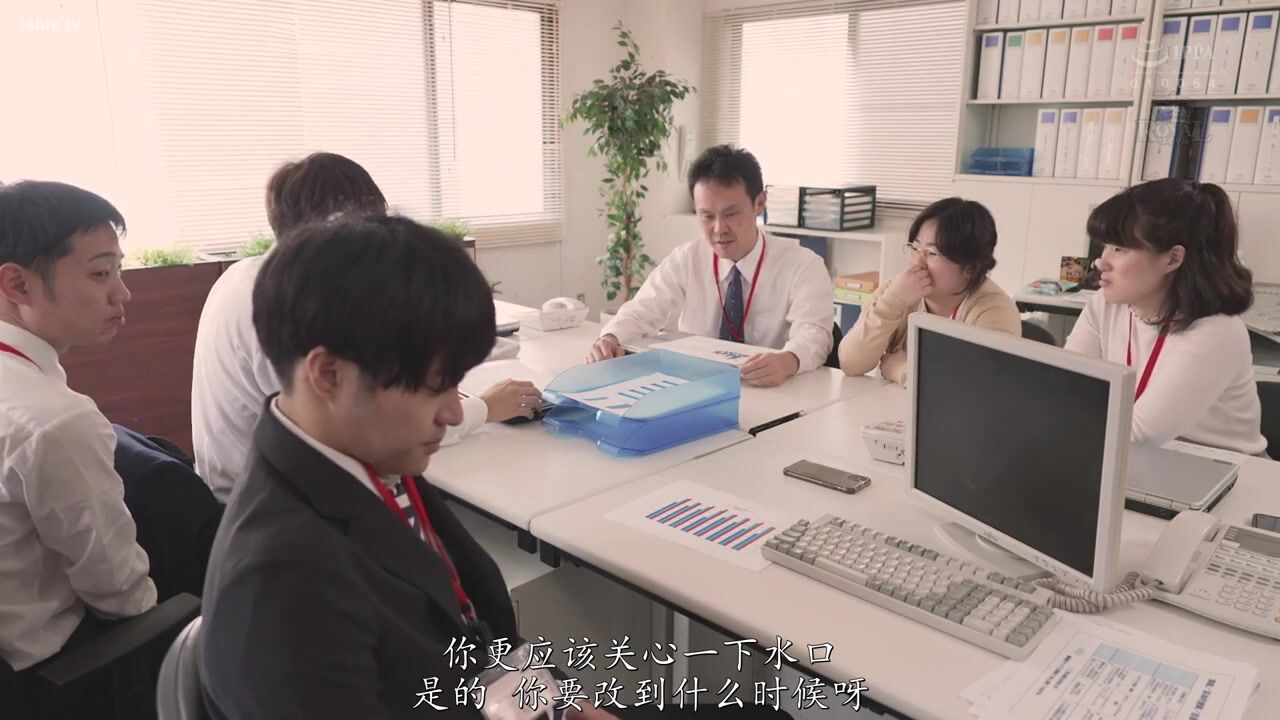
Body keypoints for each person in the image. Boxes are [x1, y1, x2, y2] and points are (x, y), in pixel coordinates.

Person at [198, 214, 788, 720]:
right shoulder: (281, 588)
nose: (455, 412)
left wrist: (564, 703)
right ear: (328, 375)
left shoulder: (362, 459)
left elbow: (478, 635)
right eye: (435, 387)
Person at [191, 152, 541, 503]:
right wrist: (484, 408)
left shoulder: (246, 275)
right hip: (266, 498)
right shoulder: (288, 305)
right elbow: (358, 424)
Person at [0, 181, 156, 674]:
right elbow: (119, 595)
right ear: (18, 284)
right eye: (100, 273)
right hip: (51, 673)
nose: (122, 293)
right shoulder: (52, 420)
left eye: (119, 270)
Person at [587, 145, 832, 388]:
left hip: (773, 392)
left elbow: (815, 334)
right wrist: (610, 337)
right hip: (696, 387)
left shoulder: (803, 265)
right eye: (706, 216)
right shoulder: (687, 258)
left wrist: (788, 361)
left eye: (731, 214)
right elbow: (641, 311)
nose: (719, 229)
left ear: (759, 203)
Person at [1064, 178, 1265, 455]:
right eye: (1105, 246)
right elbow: (1066, 387)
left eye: (1120, 249)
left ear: (1172, 259)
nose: (1101, 261)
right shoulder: (1106, 304)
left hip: (1220, 468)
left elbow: (1138, 434)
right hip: (1137, 456)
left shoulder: (1217, 331)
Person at [838, 197, 1021, 384]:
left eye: (932, 253)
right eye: (915, 247)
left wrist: (902, 370)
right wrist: (893, 302)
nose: (917, 263)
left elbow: (980, 386)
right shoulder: (897, 289)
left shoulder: (994, 311)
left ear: (969, 268)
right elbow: (850, 362)